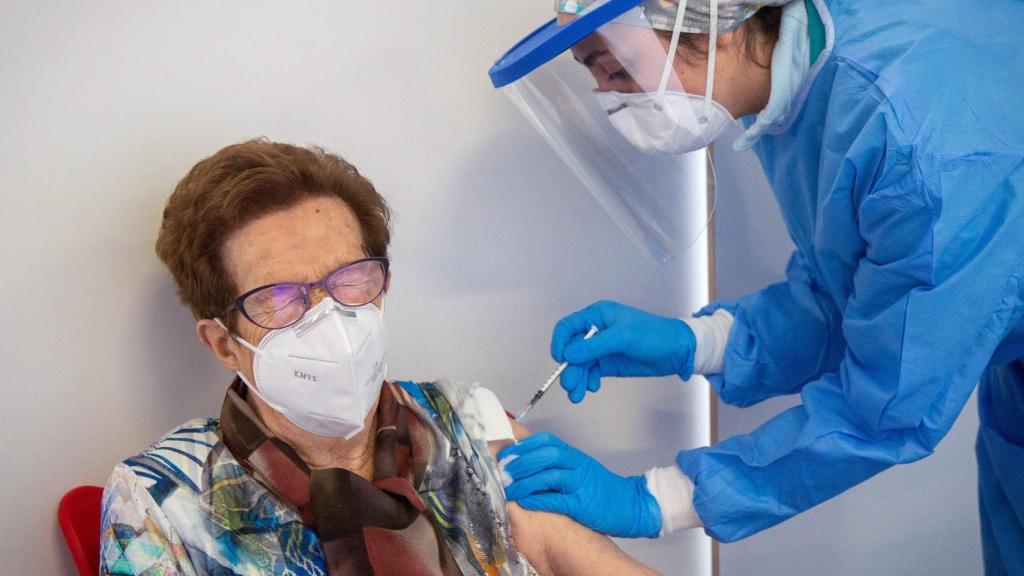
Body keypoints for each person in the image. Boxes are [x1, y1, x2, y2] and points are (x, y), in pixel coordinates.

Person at [488, 0, 1024, 573]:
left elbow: (887, 403)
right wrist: (696, 341)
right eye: (592, 74)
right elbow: (858, 294)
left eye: (618, 70)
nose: (614, 100)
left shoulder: (921, 145)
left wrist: (658, 499)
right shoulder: (803, 79)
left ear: (714, 22)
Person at [98, 139, 657, 576]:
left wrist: (662, 502)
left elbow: (571, 555)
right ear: (224, 343)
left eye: (349, 279)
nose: (327, 317)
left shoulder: (463, 420)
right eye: (278, 297)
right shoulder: (163, 499)